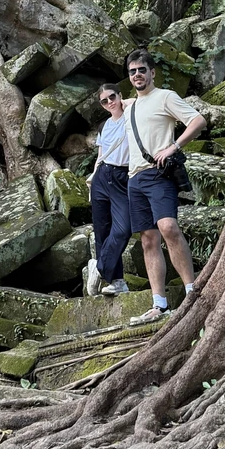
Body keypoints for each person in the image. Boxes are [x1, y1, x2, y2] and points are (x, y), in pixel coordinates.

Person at [123, 47, 206, 323]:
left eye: (141, 70)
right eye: (132, 71)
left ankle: (192, 292)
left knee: (168, 227)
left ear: (152, 73)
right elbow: (110, 103)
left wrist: (174, 146)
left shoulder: (165, 97)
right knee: (148, 239)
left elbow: (198, 120)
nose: (137, 75)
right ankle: (159, 305)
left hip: (158, 173)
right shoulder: (130, 107)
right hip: (135, 179)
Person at [86, 83, 132, 297]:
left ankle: (99, 266)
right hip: (102, 176)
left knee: (123, 228)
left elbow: (137, 103)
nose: (109, 102)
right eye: (104, 101)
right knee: (102, 231)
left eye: (112, 97)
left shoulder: (131, 115)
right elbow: (101, 155)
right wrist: (94, 179)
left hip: (122, 176)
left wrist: (126, 102)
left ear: (120, 95)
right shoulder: (104, 125)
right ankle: (117, 281)